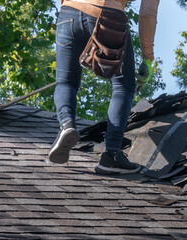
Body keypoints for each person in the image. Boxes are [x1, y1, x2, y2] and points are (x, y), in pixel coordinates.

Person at [48, 0, 159, 175]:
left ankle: (66, 124)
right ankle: (111, 155)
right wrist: (147, 57)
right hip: (109, 15)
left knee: (66, 81)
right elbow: (147, 13)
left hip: (68, 12)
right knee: (123, 86)